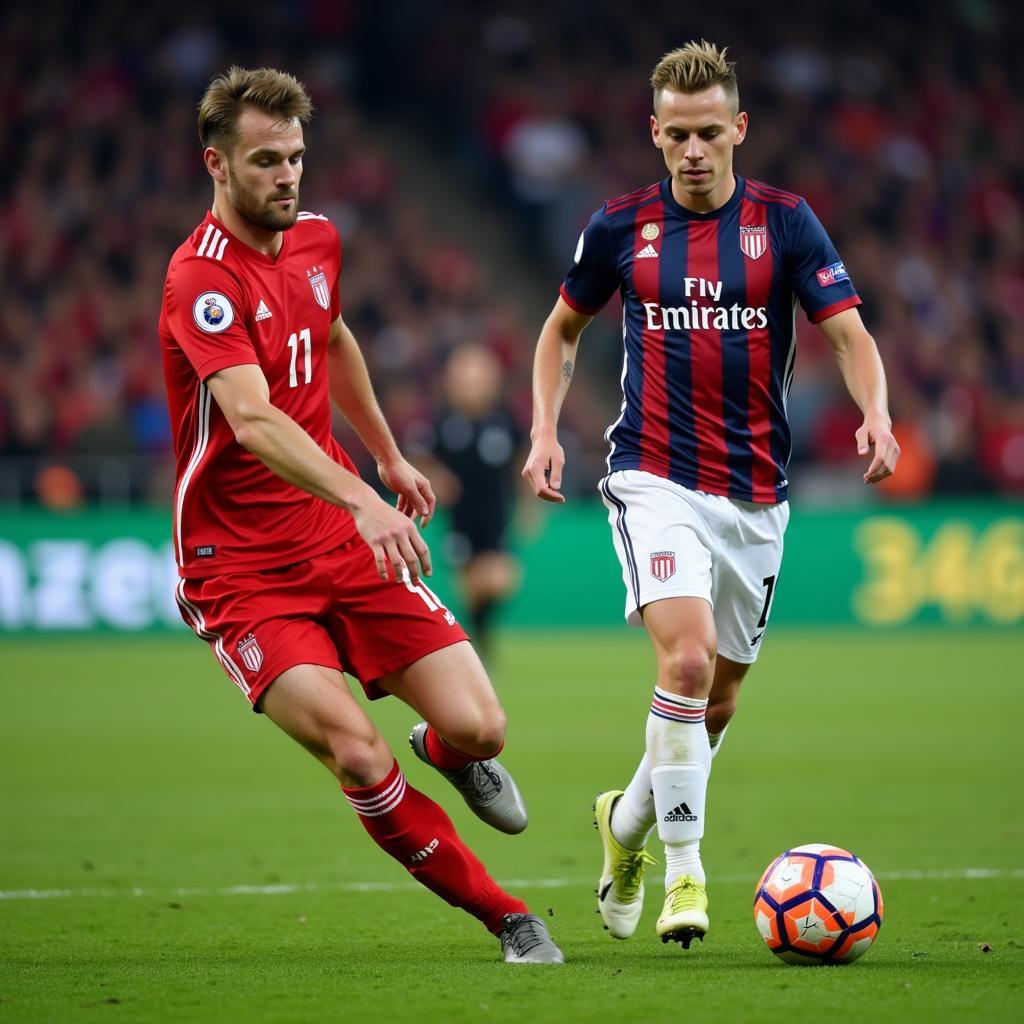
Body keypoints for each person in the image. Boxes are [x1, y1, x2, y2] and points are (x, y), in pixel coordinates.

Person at [158, 66, 562, 965]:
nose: (288, 176)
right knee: (354, 750)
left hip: (337, 533)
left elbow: (330, 336)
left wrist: (384, 453)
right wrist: (365, 497)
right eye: (266, 161)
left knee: (481, 728)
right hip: (240, 568)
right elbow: (254, 418)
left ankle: (449, 756)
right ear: (216, 165)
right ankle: (509, 917)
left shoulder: (317, 240)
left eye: (297, 157)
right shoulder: (200, 282)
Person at [522, 41, 899, 949]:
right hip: (653, 476)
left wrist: (877, 415)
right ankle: (687, 878)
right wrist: (542, 428)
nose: (693, 150)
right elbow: (560, 331)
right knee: (684, 666)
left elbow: (847, 334)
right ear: (655, 134)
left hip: (757, 496)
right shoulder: (620, 227)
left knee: (714, 702)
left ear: (739, 129)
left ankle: (623, 826)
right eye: (676, 135)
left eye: (709, 133)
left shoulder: (788, 223)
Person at [407, 343, 524, 662]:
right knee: (473, 584)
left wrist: (529, 503)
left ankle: (476, 629)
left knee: (502, 581)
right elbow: (417, 456)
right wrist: (437, 477)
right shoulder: (441, 420)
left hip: (497, 516)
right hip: (460, 519)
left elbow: (521, 459)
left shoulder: (504, 419)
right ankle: (477, 641)